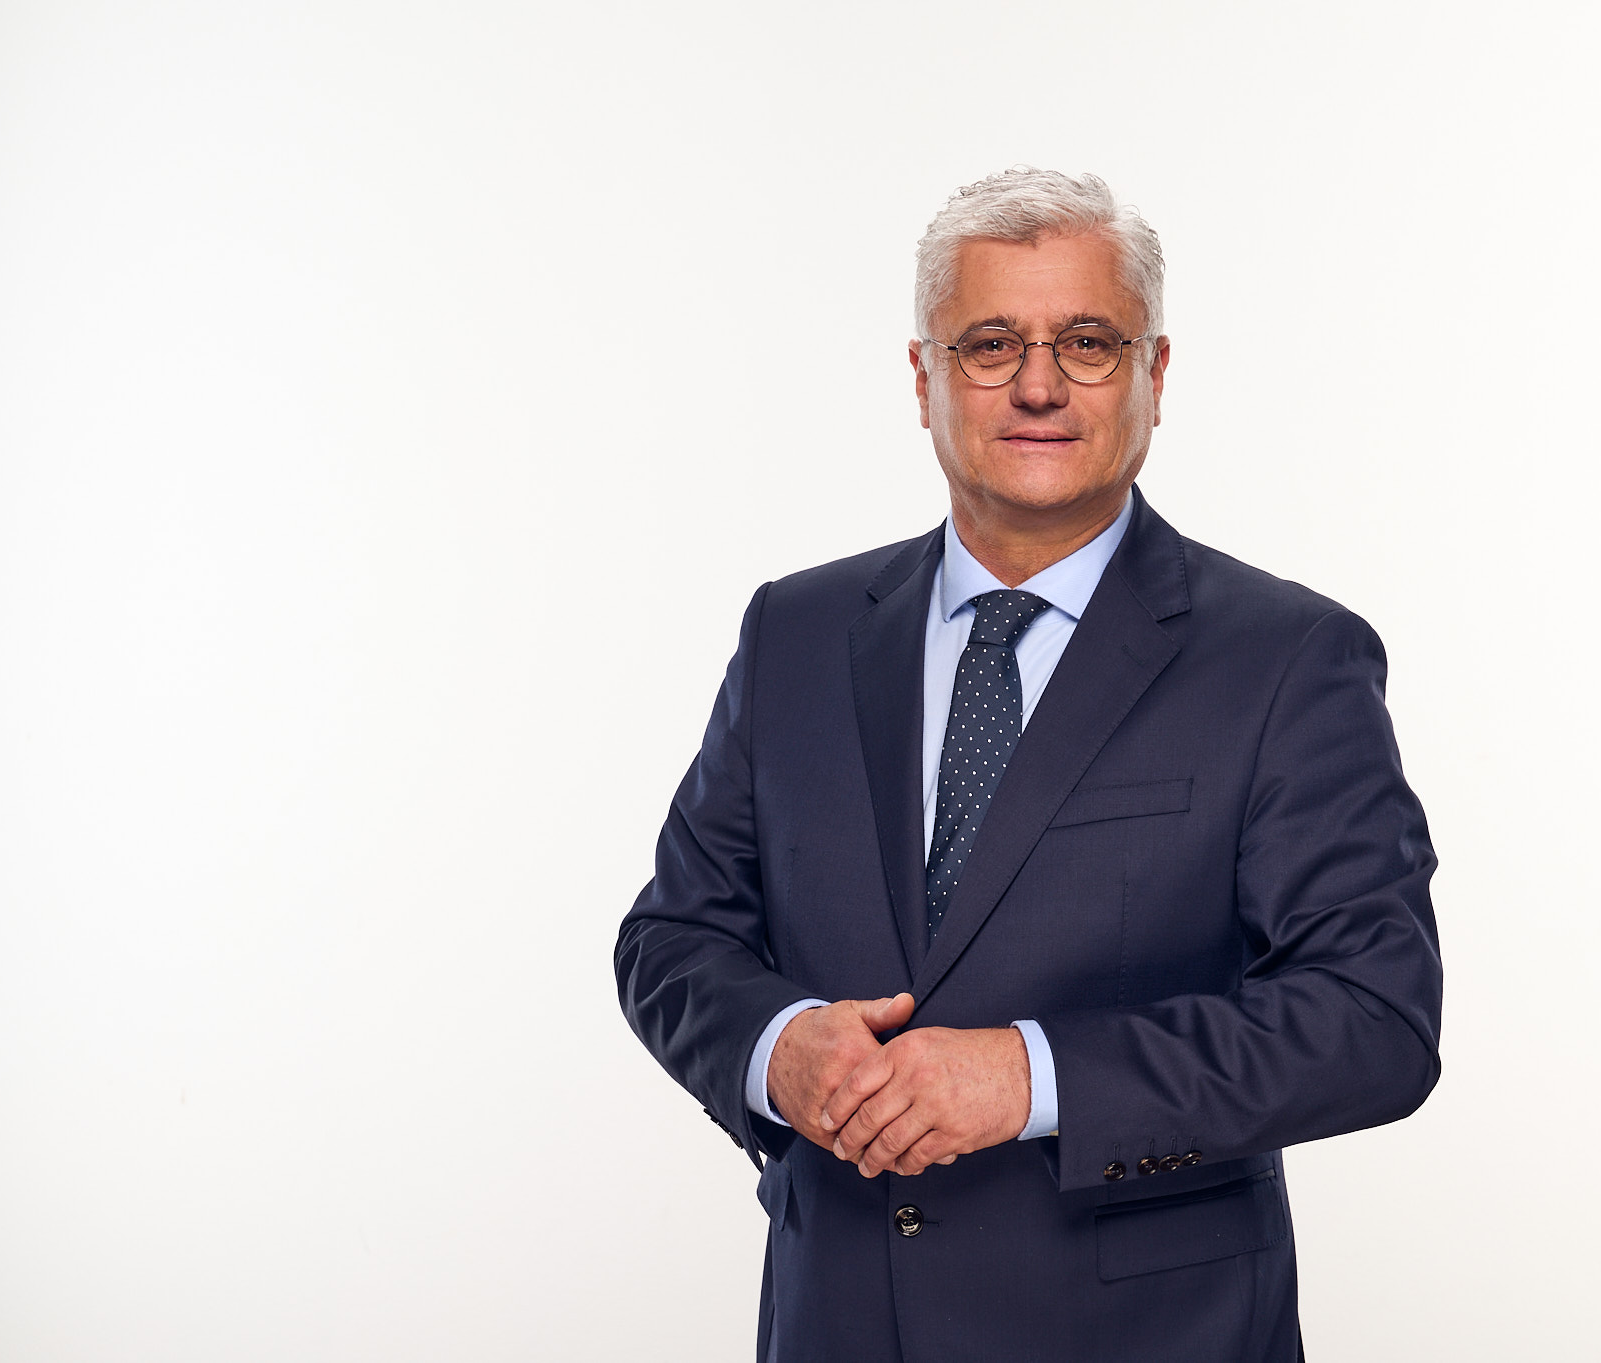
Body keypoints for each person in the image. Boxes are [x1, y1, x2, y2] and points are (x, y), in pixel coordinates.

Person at [615, 167, 1442, 1363]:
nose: (1039, 384)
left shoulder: (1285, 658)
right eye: (990, 343)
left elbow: (1372, 1017)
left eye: (1088, 343)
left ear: (1155, 374)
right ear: (923, 379)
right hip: (838, 1323)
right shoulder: (795, 631)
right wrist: (775, 1047)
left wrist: (1031, 1076)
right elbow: (672, 937)